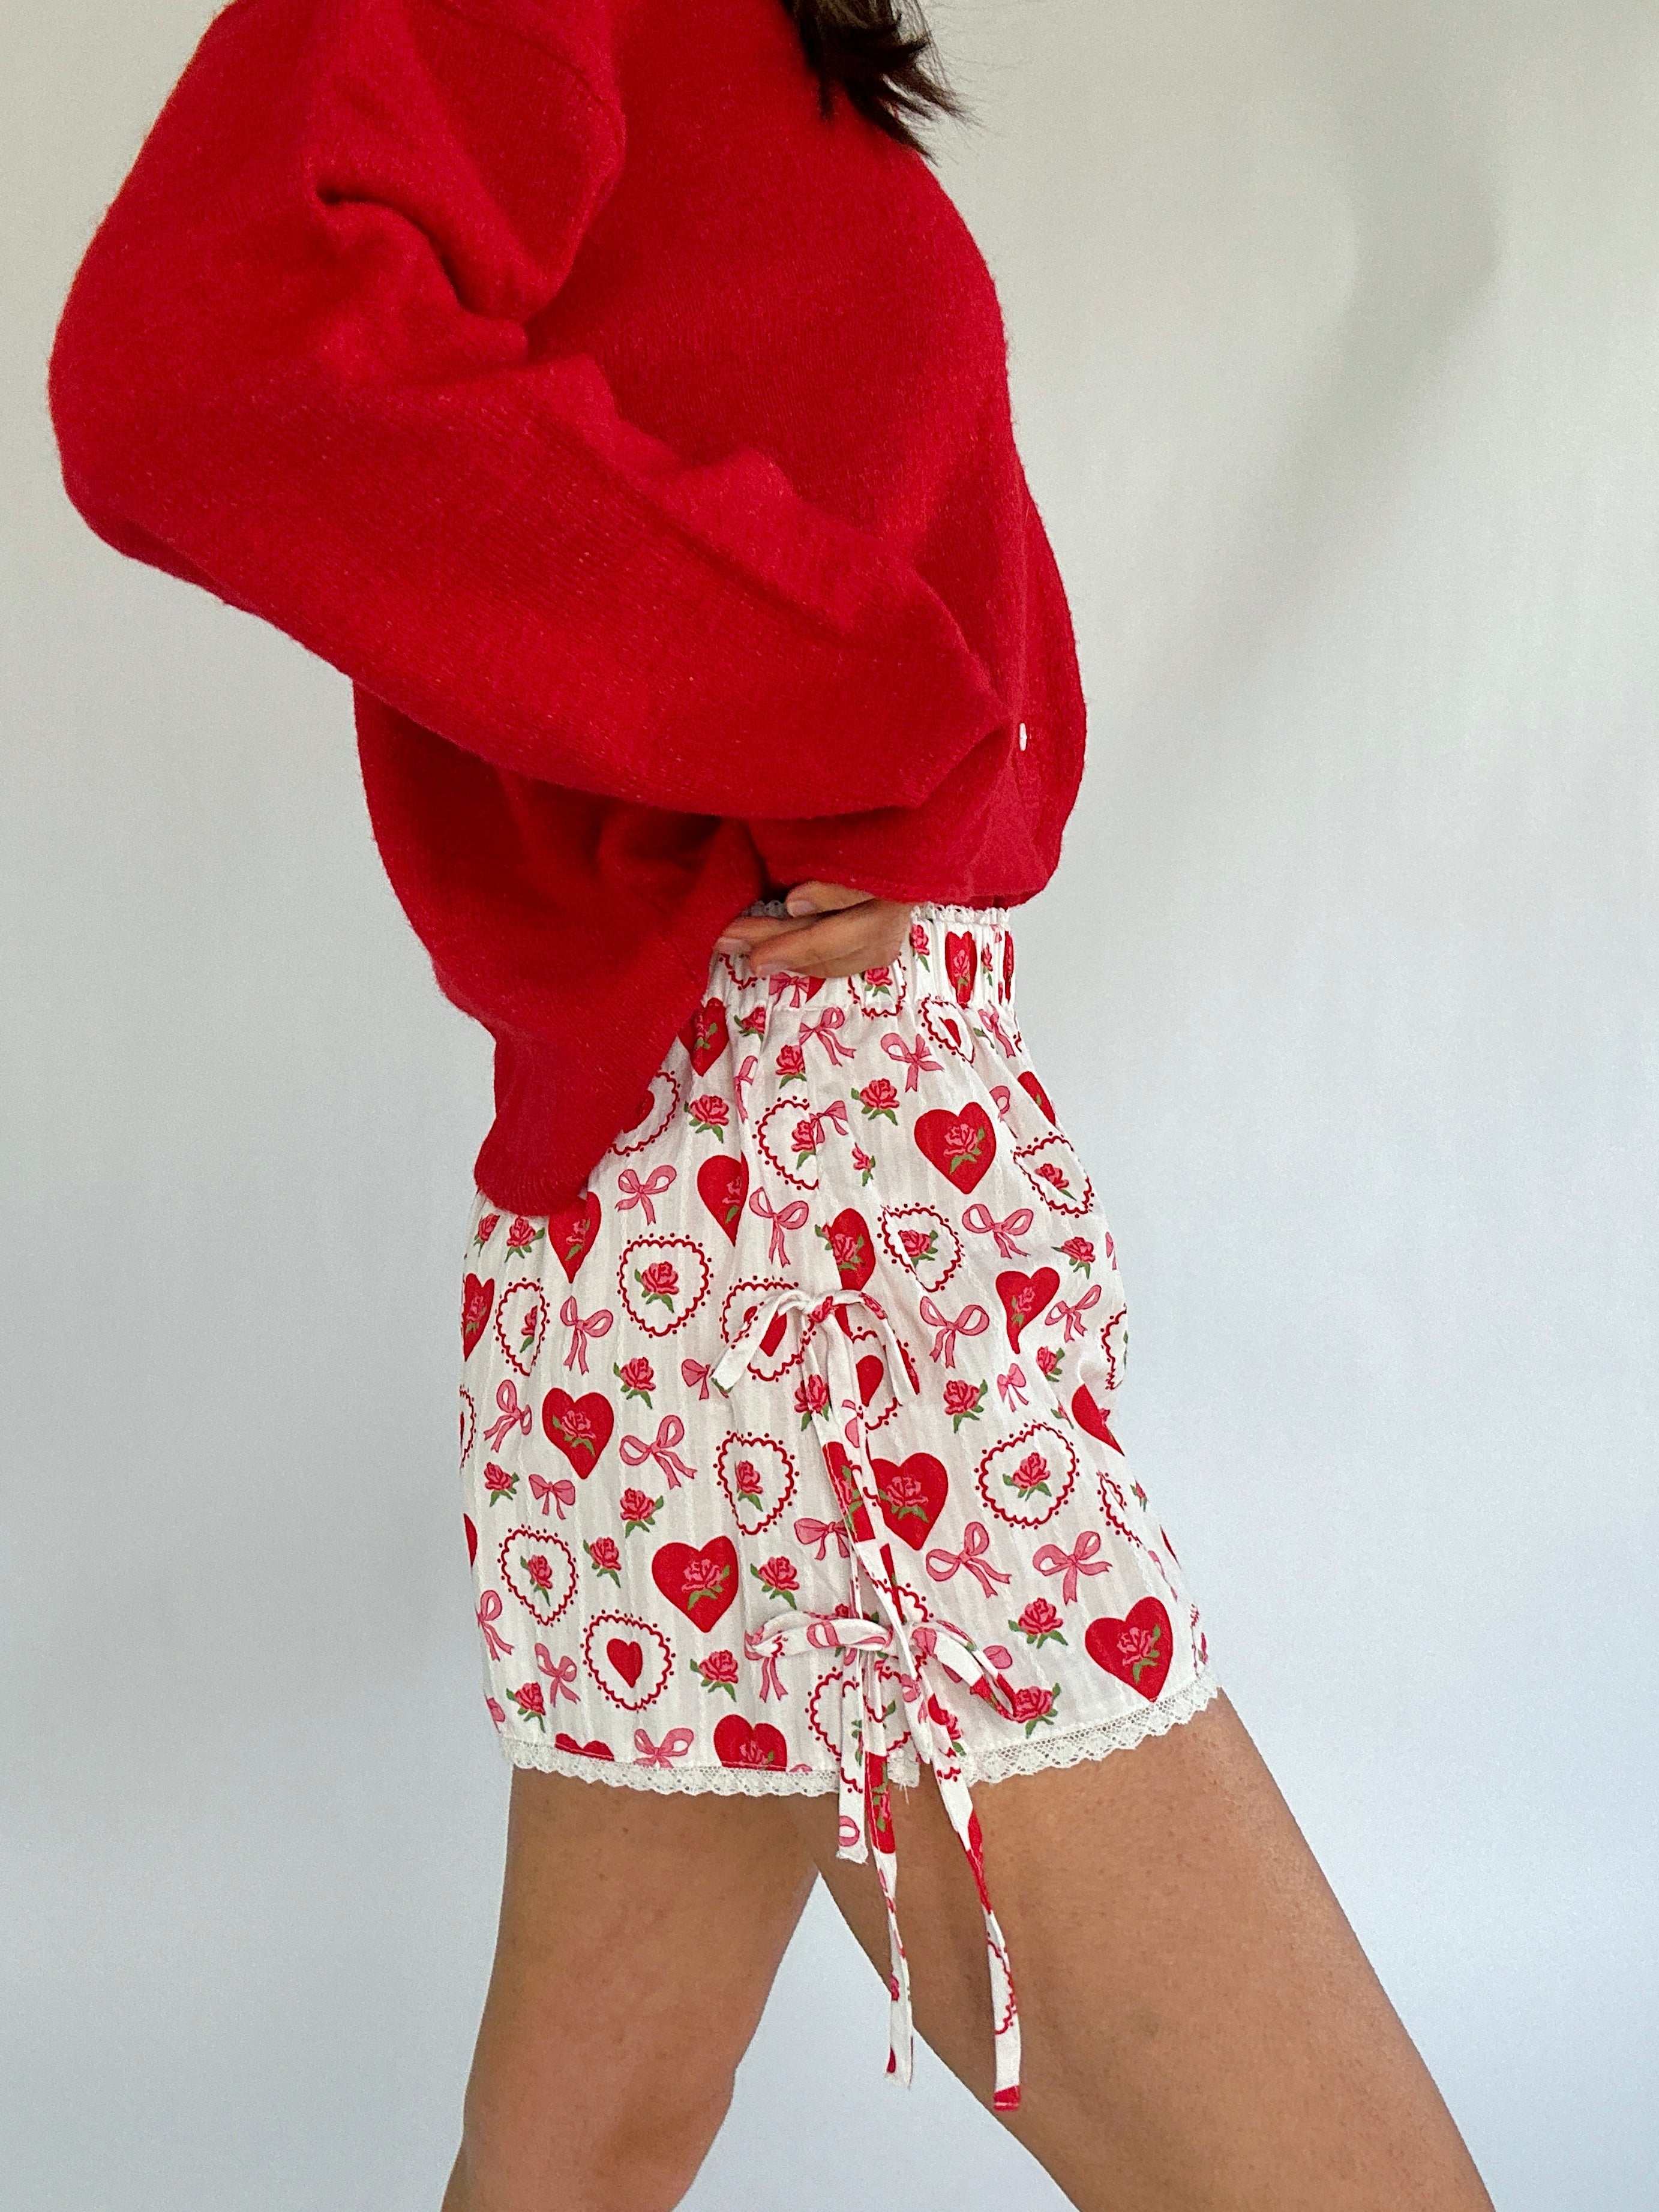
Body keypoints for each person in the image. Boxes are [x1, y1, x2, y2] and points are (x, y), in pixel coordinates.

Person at [46, 2, 1496, 2207]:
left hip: (759, 1192)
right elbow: (194, 359)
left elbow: (942, 612)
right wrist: (855, 715)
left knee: (581, 2155)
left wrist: (946, 761)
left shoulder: (764, 42)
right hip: (784, 1215)